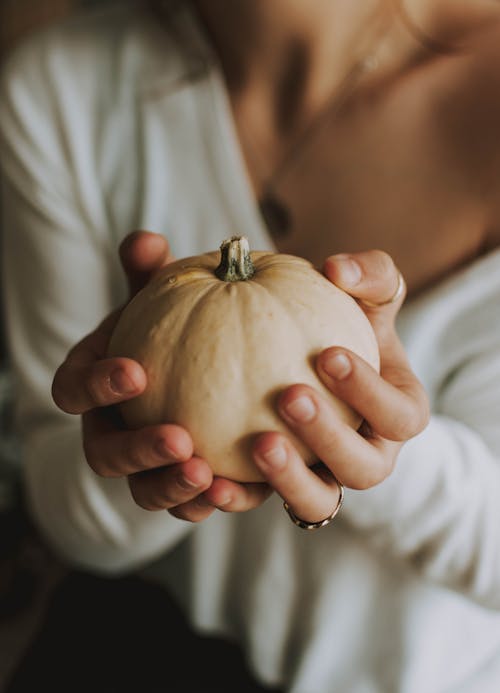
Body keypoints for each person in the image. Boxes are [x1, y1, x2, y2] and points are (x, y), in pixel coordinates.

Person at [1, 0, 500, 690]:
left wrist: (371, 442)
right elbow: (68, 514)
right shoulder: (63, 90)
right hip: (147, 654)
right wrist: (146, 456)